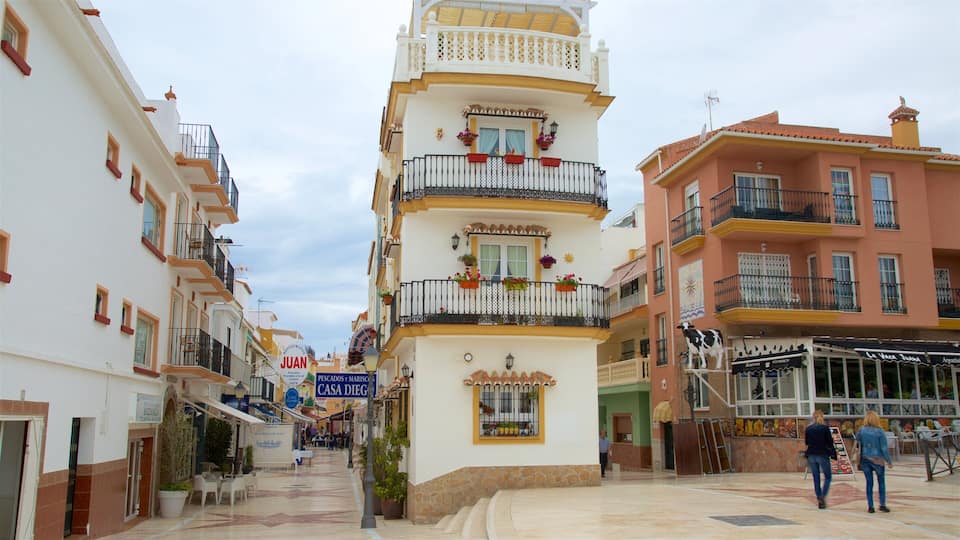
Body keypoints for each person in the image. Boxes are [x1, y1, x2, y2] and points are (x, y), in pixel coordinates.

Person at [855, 410, 893, 513]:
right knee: (881, 482)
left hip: (865, 458)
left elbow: (857, 439)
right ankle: (882, 504)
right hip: (878, 459)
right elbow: (884, 447)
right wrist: (889, 460)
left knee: (869, 482)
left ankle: (870, 506)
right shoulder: (880, 431)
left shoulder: (861, 430)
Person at [804, 410, 837, 509]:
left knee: (816, 477)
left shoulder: (809, 429)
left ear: (813, 417)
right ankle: (823, 495)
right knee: (827, 477)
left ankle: (819, 496)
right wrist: (833, 454)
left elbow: (806, 442)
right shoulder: (825, 428)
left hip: (812, 455)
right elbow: (830, 443)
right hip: (823, 454)